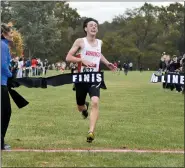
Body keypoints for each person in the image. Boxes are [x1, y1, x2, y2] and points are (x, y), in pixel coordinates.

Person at [66, 18, 116, 143]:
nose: (94, 27)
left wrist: (107, 63)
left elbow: (99, 54)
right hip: (82, 78)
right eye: (91, 25)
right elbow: (68, 57)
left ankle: (91, 132)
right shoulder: (80, 42)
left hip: (95, 77)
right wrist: (81, 60)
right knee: (80, 106)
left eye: (96, 26)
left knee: (95, 101)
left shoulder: (100, 42)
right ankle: (84, 107)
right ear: (85, 28)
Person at [1, 23, 13, 150]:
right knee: (5, 113)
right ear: (4, 34)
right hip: (1, 84)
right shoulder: (3, 45)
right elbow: (3, 65)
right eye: (10, 33)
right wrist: (10, 75)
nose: (12, 35)